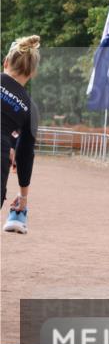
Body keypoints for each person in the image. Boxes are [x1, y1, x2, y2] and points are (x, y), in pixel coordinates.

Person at [2, 36, 41, 234]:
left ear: (5, 62)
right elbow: (25, 155)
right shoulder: (30, 109)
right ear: (32, 73)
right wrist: (22, 196)